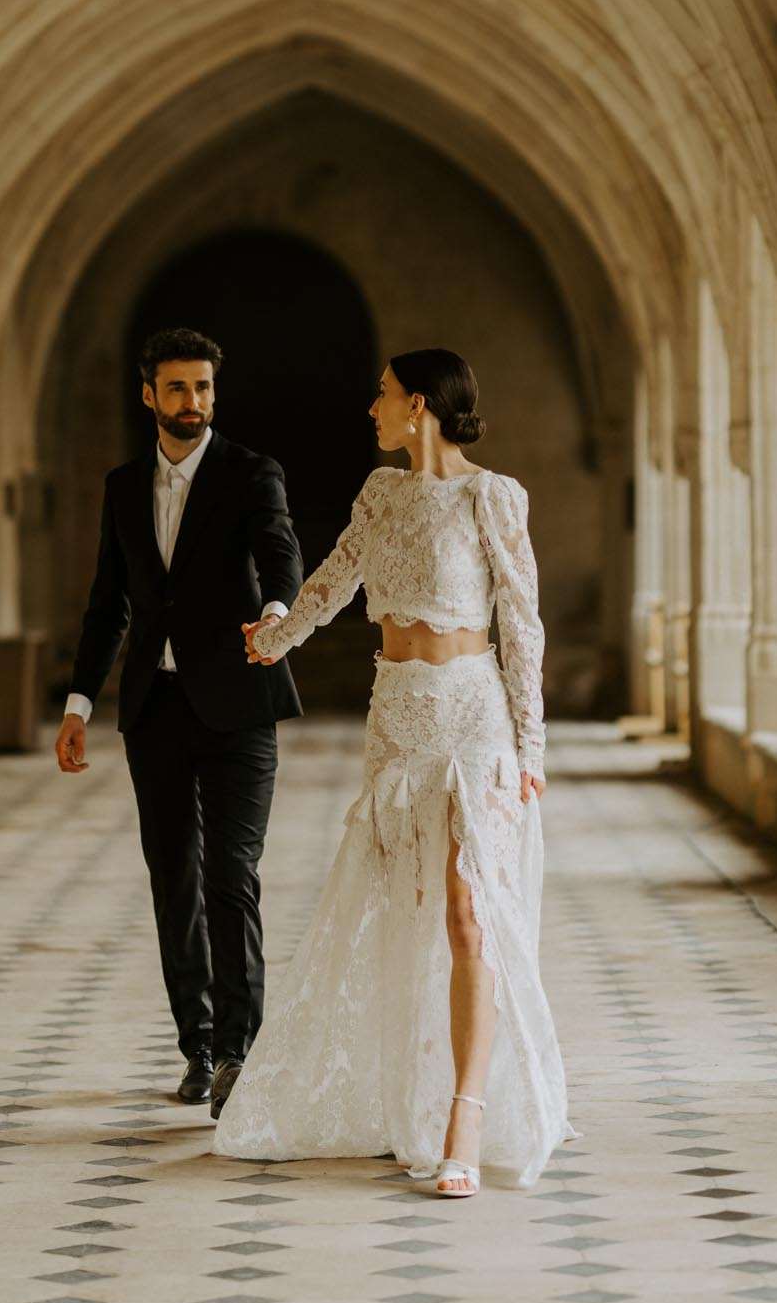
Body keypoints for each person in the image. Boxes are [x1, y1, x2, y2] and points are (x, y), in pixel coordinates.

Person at [214, 348, 572, 1197]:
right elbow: (337, 578)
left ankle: (466, 1119)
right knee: (407, 909)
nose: (368, 408)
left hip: (473, 718)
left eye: (379, 395)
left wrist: (531, 749)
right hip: (399, 718)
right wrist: (275, 637)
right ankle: (407, 1091)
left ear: (418, 404)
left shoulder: (493, 496)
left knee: (467, 911)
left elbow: (521, 626)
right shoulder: (380, 492)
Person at [54, 328, 304, 1120]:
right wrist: (78, 704)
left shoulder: (250, 472)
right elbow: (108, 604)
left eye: (202, 389)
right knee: (174, 881)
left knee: (230, 876)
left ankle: (239, 1050)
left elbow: (280, 554)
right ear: (148, 396)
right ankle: (196, 1045)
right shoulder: (123, 486)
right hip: (153, 712)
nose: (191, 403)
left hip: (239, 705)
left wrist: (274, 614)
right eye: (176, 389)